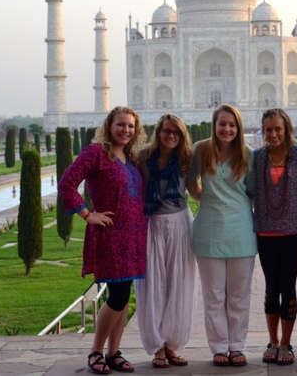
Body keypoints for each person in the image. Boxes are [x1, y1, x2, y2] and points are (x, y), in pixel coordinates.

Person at [58, 107, 146, 374]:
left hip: (132, 237)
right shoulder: (96, 153)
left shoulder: (130, 157)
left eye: (131, 126)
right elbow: (66, 183)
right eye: (121, 125)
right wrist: (87, 214)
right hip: (110, 234)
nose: (126, 130)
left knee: (124, 294)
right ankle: (96, 352)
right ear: (109, 126)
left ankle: (113, 352)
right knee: (117, 296)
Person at [187, 103, 255, 367]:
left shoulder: (246, 153)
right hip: (209, 231)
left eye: (232, 125)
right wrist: (203, 199)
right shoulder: (201, 150)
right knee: (213, 295)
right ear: (214, 125)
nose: (227, 129)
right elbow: (191, 180)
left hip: (241, 233)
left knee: (238, 295)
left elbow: (253, 190)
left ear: (237, 128)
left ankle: (236, 345)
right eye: (222, 124)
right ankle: (218, 346)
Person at [135, 114, 197, 368]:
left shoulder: (186, 160)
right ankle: (157, 346)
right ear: (158, 132)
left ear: (182, 136)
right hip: (151, 224)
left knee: (179, 285)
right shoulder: (142, 158)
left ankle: (172, 344)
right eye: (167, 131)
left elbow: (196, 192)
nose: (171, 136)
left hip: (180, 224)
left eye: (176, 133)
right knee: (153, 285)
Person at [252, 108, 297, 366]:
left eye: (278, 129)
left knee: (288, 285)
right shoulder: (257, 157)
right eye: (268, 130)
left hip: (293, 231)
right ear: (263, 131)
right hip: (266, 230)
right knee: (271, 286)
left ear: (287, 130)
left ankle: (286, 343)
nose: (273, 134)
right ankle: (273, 342)